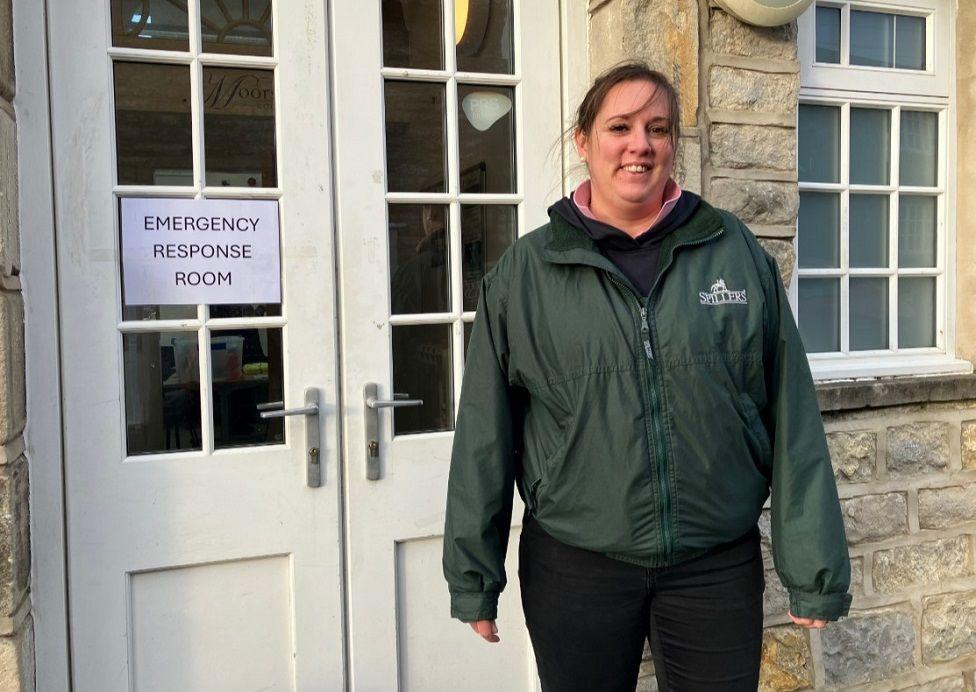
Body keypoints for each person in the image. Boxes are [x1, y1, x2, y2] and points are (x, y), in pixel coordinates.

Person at [442, 61, 851, 691]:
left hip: (713, 567)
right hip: (577, 566)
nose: (640, 145)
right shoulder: (525, 275)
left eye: (658, 128)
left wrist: (814, 569)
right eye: (620, 126)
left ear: (673, 145)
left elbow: (792, 417)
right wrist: (474, 575)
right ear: (584, 141)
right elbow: (483, 435)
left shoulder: (734, 253)